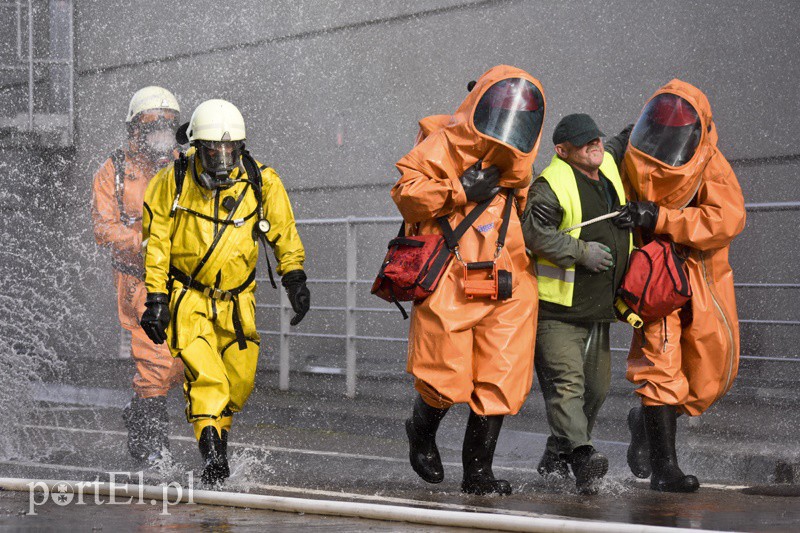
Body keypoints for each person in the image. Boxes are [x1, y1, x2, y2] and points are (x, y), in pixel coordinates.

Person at [391, 65, 545, 496]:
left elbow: (524, 210)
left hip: (506, 278)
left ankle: (479, 472)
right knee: (443, 375)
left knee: (501, 375)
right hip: (450, 274)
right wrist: (458, 189)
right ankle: (420, 432)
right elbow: (406, 195)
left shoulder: (521, 161)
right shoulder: (440, 144)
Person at [140, 99, 310, 485]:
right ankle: (215, 461)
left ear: (240, 148)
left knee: (238, 381)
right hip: (189, 298)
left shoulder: (262, 181)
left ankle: (215, 436)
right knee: (208, 379)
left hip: (238, 301)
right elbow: (157, 244)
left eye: (229, 149)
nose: (221, 158)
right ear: (197, 147)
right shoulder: (172, 182)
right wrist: (156, 299)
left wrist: (295, 278)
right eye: (213, 150)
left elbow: (283, 232)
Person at [612, 79, 746, 492]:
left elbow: (727, 220)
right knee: (660, 362)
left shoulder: (710, 163)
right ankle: (664, 467)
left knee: (711, 373)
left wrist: (664, 218)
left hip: (702, 276)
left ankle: (644, 423)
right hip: (655, 275)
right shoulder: (629, 154)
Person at [521, 114, 631, 494]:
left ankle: (556, 454)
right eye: (585, 142)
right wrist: (581, 252)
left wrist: (658, 114)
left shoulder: (607, 162)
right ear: (562, 150)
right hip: (557, 312)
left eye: (596, 139)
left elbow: (623, 139)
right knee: (567, 386)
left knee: (596, 390)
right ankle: (583, 456)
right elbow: (534, 235)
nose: (595, 145)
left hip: (599, 310)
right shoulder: (549, 187)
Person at [91, 86, 185, 463]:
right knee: (156, 359)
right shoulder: (113, 171)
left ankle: (139, 410)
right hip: (138, 280)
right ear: (135, 130)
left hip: (181, 277)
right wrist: (143, 243)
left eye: (167, 128)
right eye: (153, 128)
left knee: (181, 361)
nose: (161, 136)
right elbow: (103, 228)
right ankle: (152, 446)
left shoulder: (185, 165)